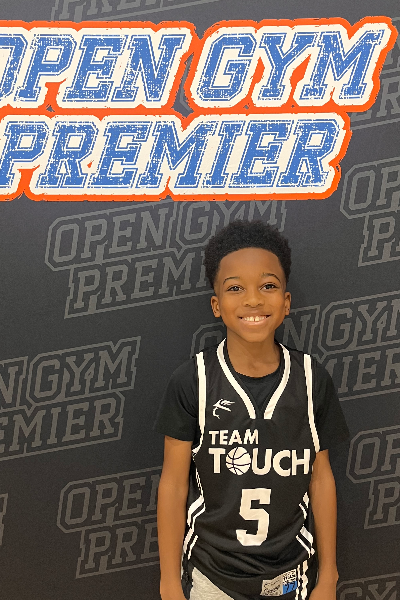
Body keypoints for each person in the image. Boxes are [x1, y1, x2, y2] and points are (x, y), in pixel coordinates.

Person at [155, 219, 349, 600]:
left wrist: (329, 575)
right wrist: (169, 582)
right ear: (216, 305)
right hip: (212, 576)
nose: (253, 300)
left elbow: (321, 478)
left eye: (268, 286)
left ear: (286, 302)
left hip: (290, 575)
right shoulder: (192, 381)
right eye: (235, 288)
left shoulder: (311, 380)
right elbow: (173, 485)